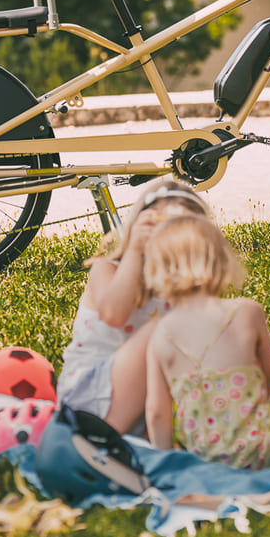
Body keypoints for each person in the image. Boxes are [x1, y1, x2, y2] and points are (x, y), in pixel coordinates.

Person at [56, 178, 211, 434]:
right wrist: (135, 251)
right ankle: (104, 444)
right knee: (161, 330)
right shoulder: (106, 270)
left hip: (147, 407)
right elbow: (114, 315)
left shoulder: (183, 289)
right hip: (92, 398)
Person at [142, 215, 270, 470]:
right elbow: (269, 378)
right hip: (263, 447)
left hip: (204, 455)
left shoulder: (160, 336)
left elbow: (157, 413)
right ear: (220, 260)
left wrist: (167, 467)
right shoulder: (247, 311)